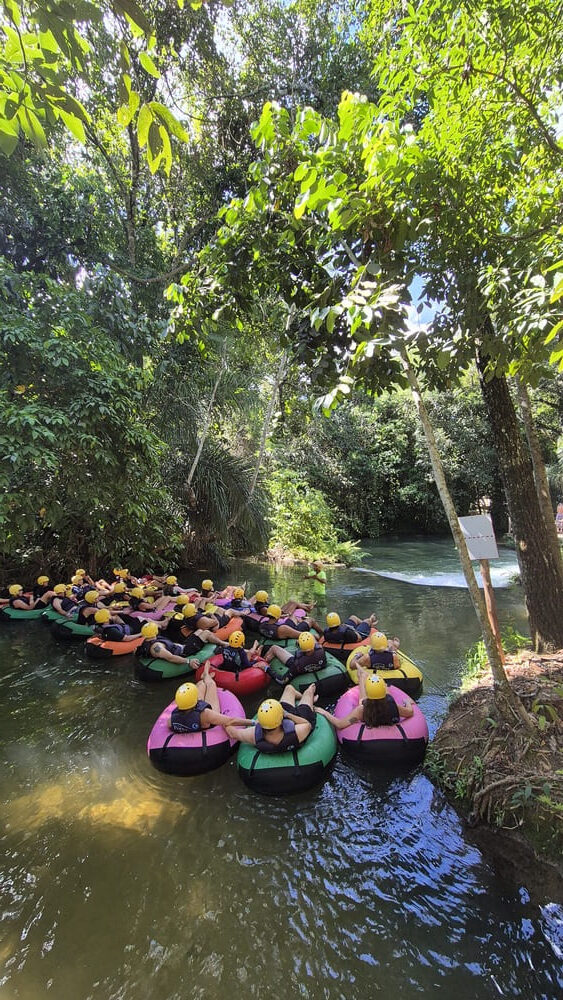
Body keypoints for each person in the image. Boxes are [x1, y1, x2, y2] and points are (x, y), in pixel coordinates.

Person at [315, 667, 414, 730]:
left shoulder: (361, 710)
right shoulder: (393, 705)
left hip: (367, 709)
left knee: (362, 700)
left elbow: (340, 724)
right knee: (379, 693)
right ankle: (364, 676)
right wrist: (407, 702)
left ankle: (362, 677)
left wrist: (324, 712)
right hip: (382, 706)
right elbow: (410, 712)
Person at [225, 684, 317, 751]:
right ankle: (310, 698)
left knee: (289, 689)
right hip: (298, 718)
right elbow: (306, 724)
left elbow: (232, 732)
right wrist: (287, 714)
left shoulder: (253, 735)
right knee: (309, 691)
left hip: (277, 719)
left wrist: (253, 722)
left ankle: (301, 697)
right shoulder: (297, 732)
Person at [170, 662, 254, 733]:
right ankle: (206, 674)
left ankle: (205, 677)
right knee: (211, 684)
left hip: (192, 712)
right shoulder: (206, 714)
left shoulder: (172, 719)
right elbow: (231, 720)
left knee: (201, 684)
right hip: (205, 719)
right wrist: (253, 722)